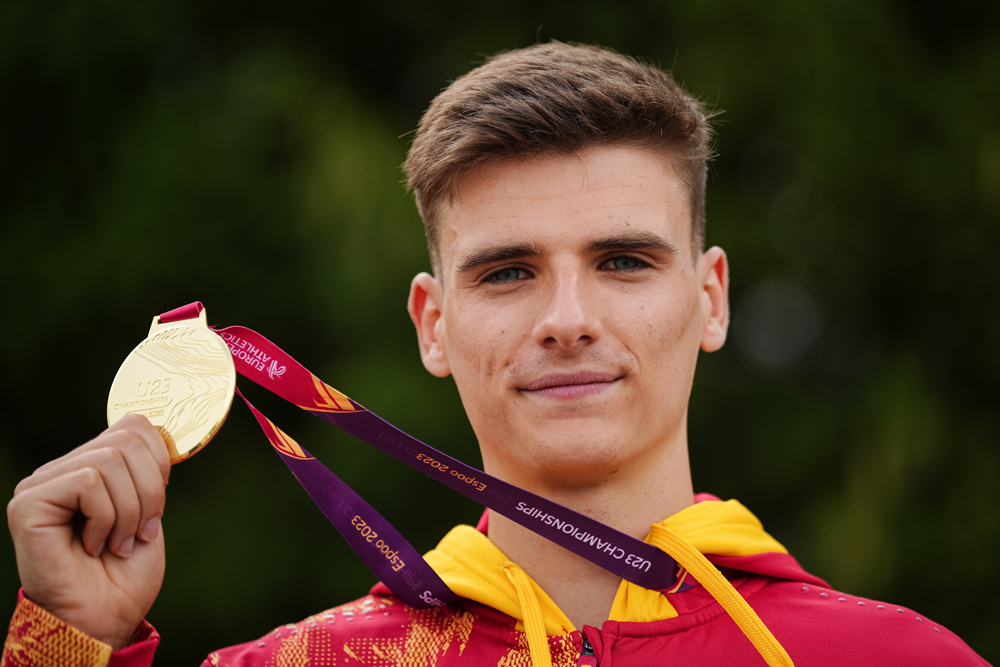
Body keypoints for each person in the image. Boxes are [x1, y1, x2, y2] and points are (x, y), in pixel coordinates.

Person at [2, 42, 989, 667]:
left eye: (621, 261)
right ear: (432, 322)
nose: (566, 316)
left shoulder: (898, 657)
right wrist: (66, 643)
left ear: (709, 297)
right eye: (508, 272)